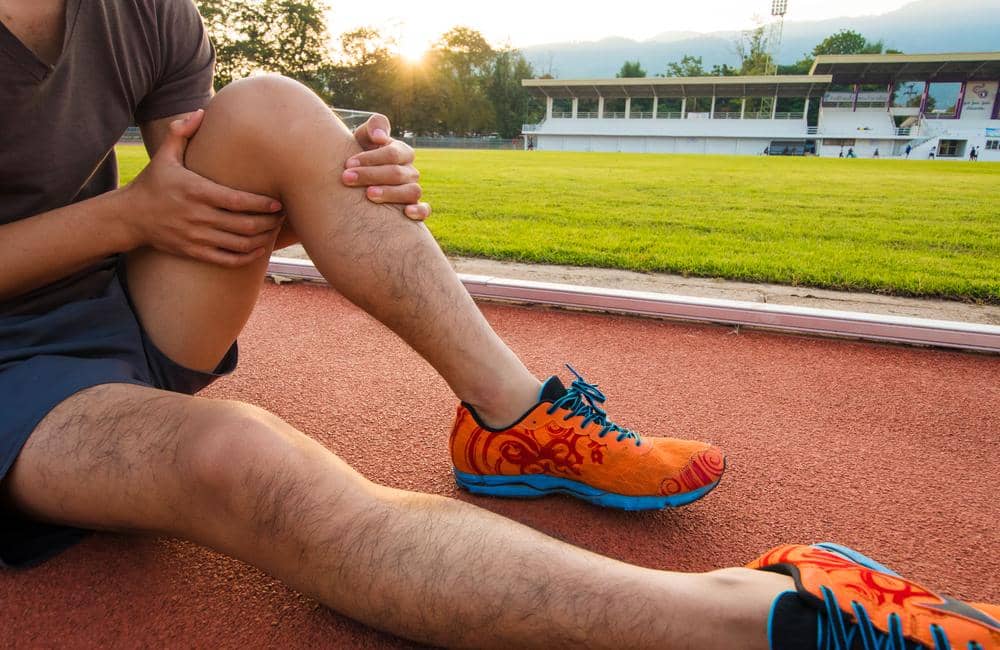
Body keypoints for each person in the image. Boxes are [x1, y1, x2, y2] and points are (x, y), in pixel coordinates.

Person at [2, 2, 997, 649]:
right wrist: (124, 218)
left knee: (273, 110)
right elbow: (147, 208)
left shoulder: (139, 9)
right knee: (239, 460)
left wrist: (338, 171)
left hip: (110, 302)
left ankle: (512, 414)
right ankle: (757, 616)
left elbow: (195, 161)